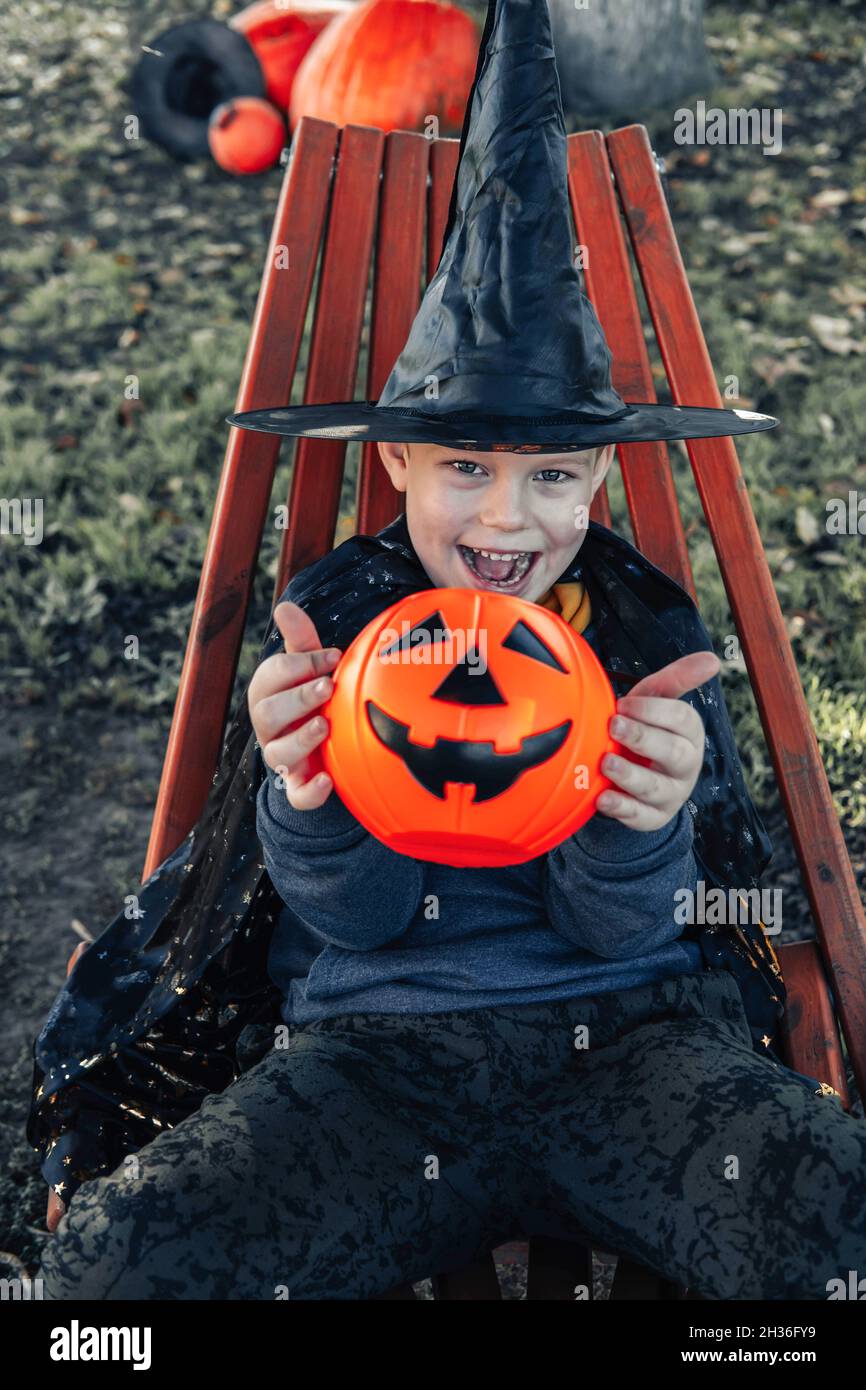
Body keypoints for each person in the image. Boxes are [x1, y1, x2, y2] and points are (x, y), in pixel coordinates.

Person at [31, 0, 866, 1299]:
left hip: (636, 1052)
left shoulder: (636, 633)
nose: (502, 516)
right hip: (377, 1065)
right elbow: (346, 915)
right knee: (132, 1263)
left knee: (832, 1224)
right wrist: (302, 796)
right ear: (397, 459)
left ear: (597, 474)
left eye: (551, 476)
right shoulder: (343, 615)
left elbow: (630, 926)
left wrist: (639, 824)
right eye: (464, 465)